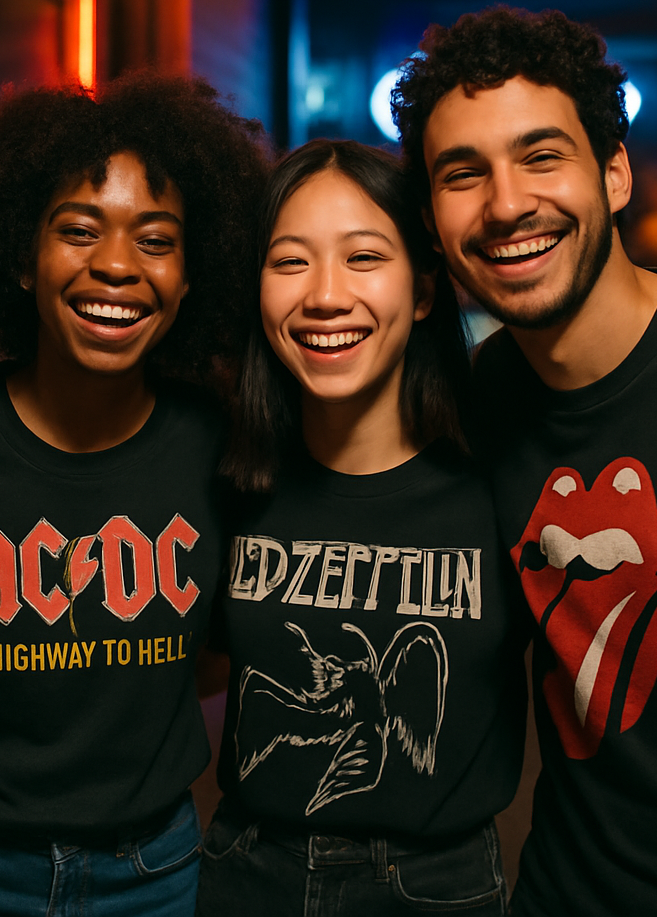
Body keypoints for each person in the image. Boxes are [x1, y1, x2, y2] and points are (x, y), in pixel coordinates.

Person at [0, 73, 271, 917]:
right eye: (78, 230)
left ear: (195, 274)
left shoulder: (220, 442)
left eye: (156, 240)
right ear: (22, 256)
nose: (117, 266)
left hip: (151, 871)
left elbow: (220, 652)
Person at [394, 5, 657, 916]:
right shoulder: (471, 401)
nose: (505, 204)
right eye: (463, 174)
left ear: (613, 174)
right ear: (431, 217)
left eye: (541, 156)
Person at [196, 140, 528, 917]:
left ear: (421, 292)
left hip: (437, 883)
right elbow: (197, 671)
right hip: (245, 870)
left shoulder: (504, 474)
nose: (325, 296)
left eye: (364, 257)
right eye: (289, 262)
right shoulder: (226, 474)